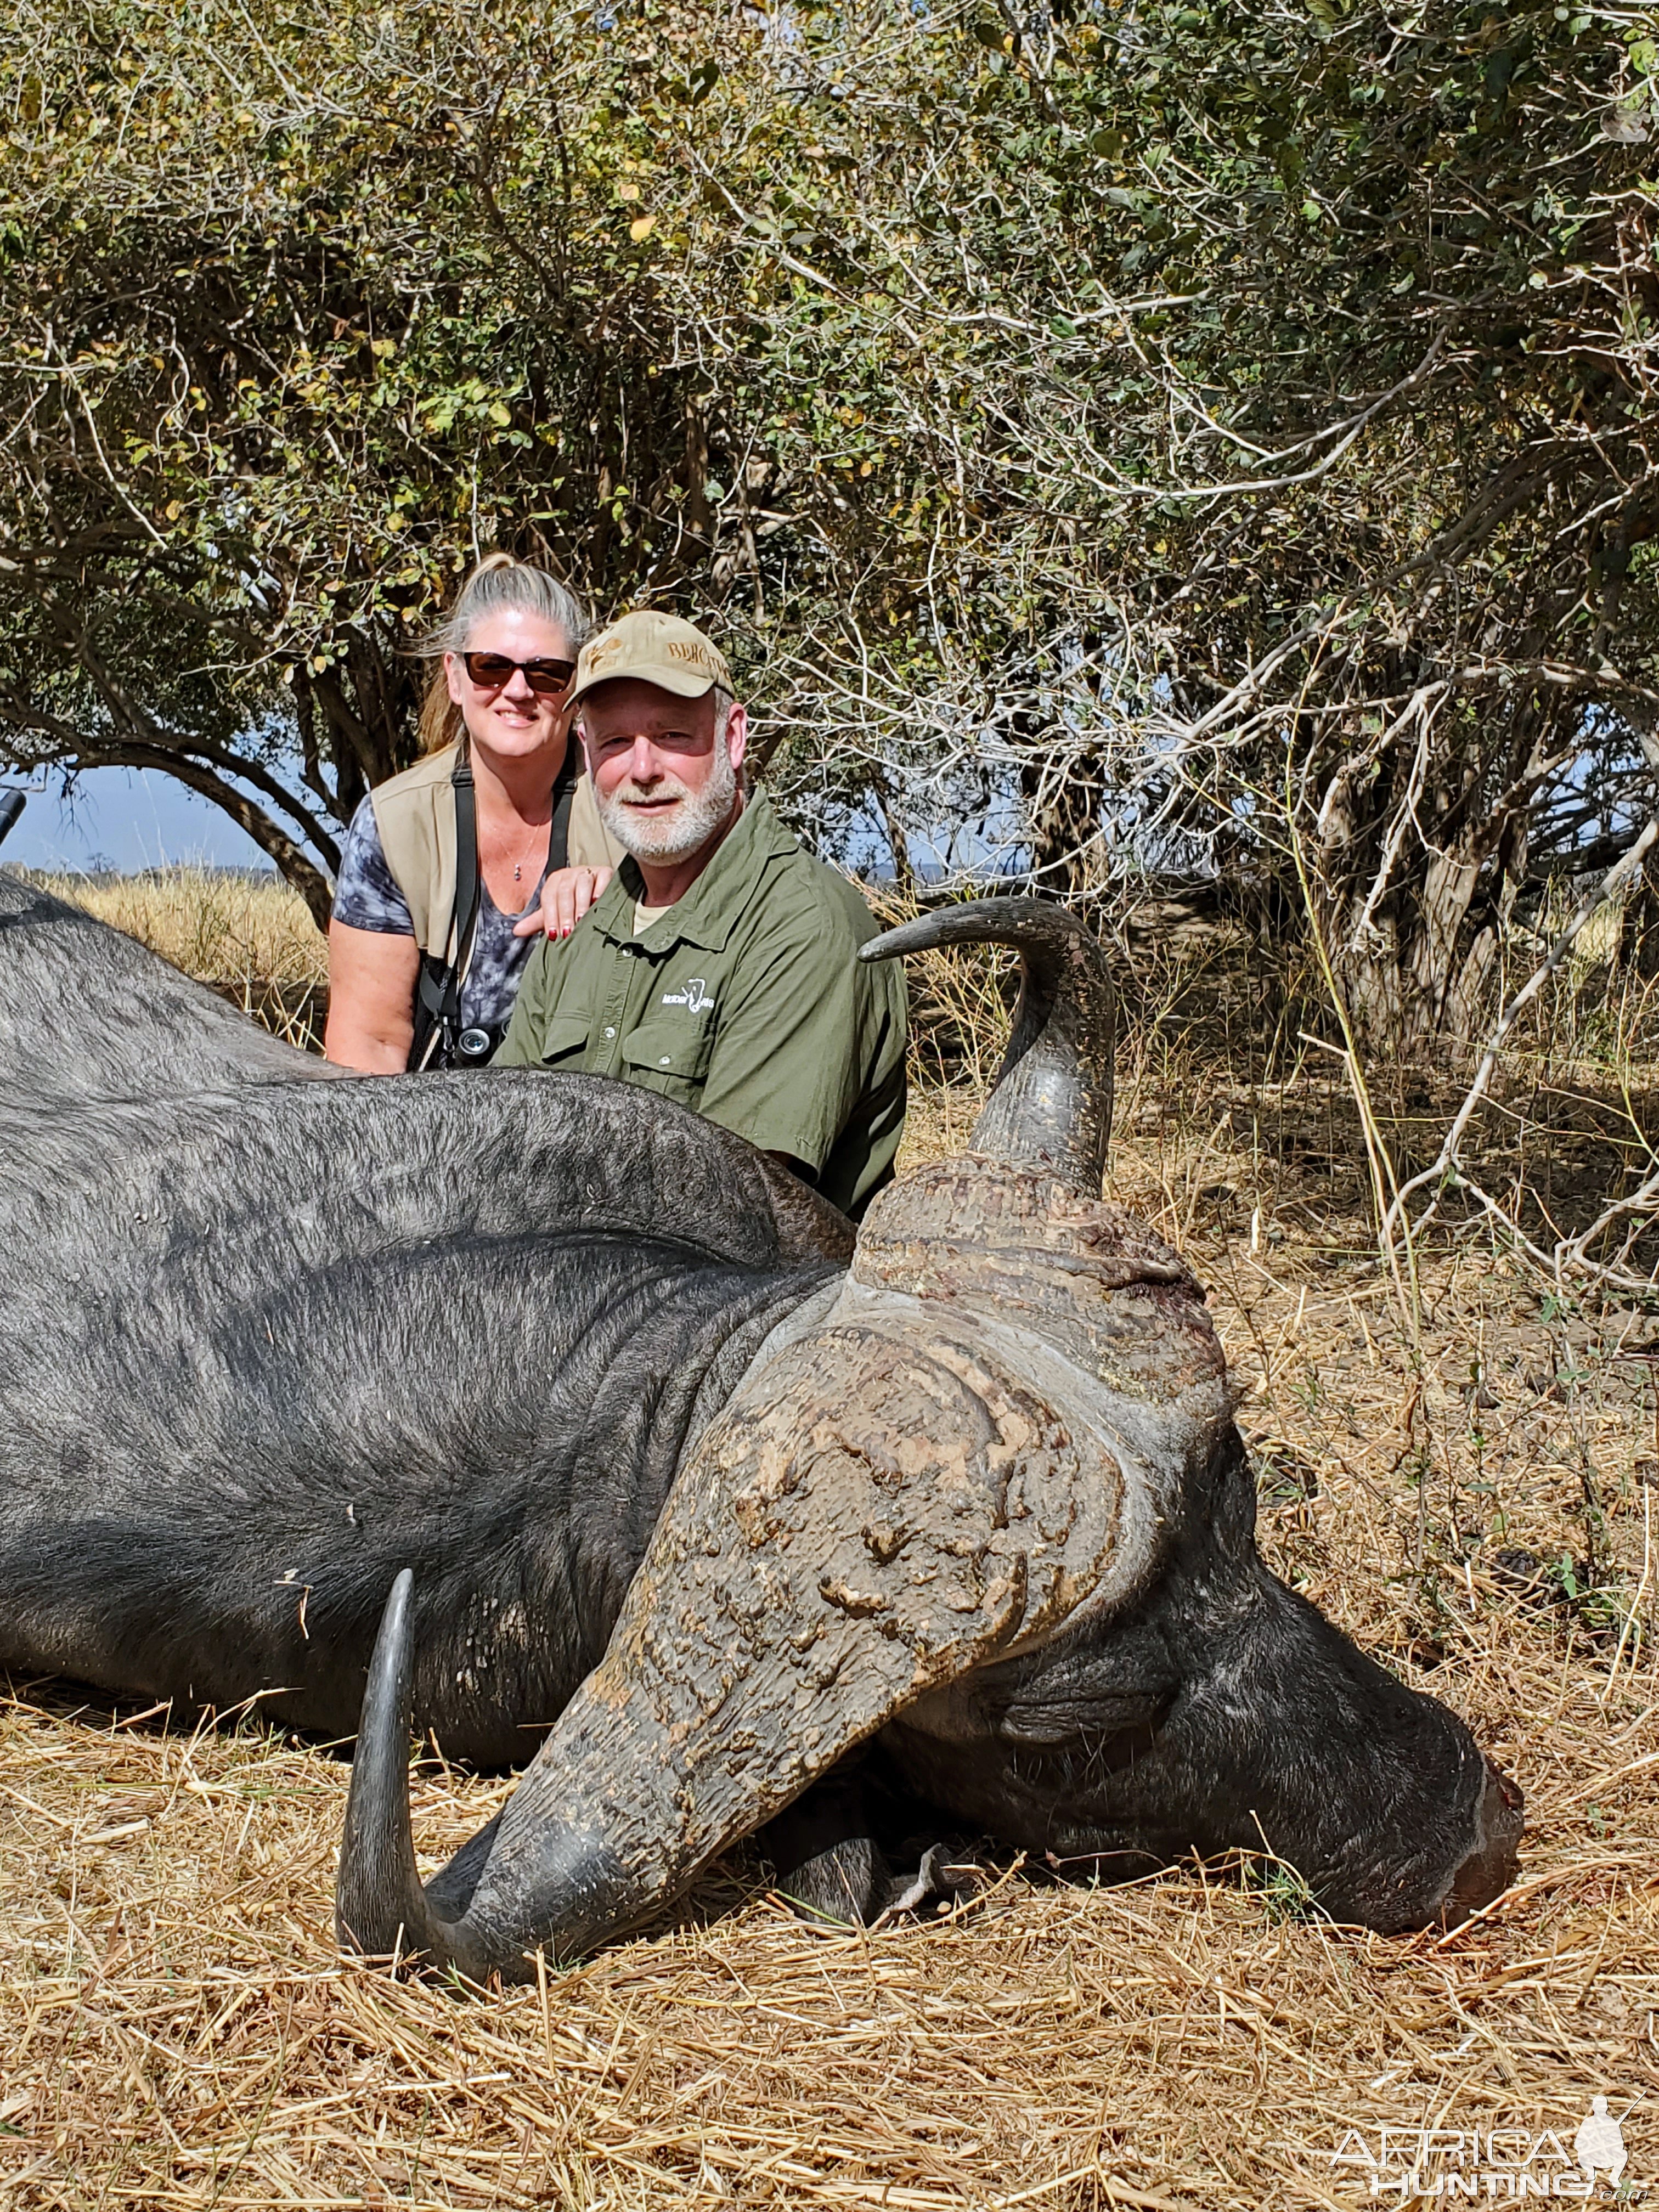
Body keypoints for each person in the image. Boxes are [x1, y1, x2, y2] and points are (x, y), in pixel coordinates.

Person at [496, 610, 907, 1219]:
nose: (642, 770)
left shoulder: (801, 925)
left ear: (733, 738)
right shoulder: (580, 924)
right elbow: (497, 1139)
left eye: (672, 736)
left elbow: (727, 1207)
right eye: (615, 742)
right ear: (585, 755)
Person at [324, 555, 625, 1073]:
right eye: (492, 667)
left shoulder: (629, 803)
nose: (518, 690)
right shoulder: (395, 823)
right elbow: (368, 1045)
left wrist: (624, 901)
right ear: (456, 677)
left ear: (576, 690)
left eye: (548, 673)